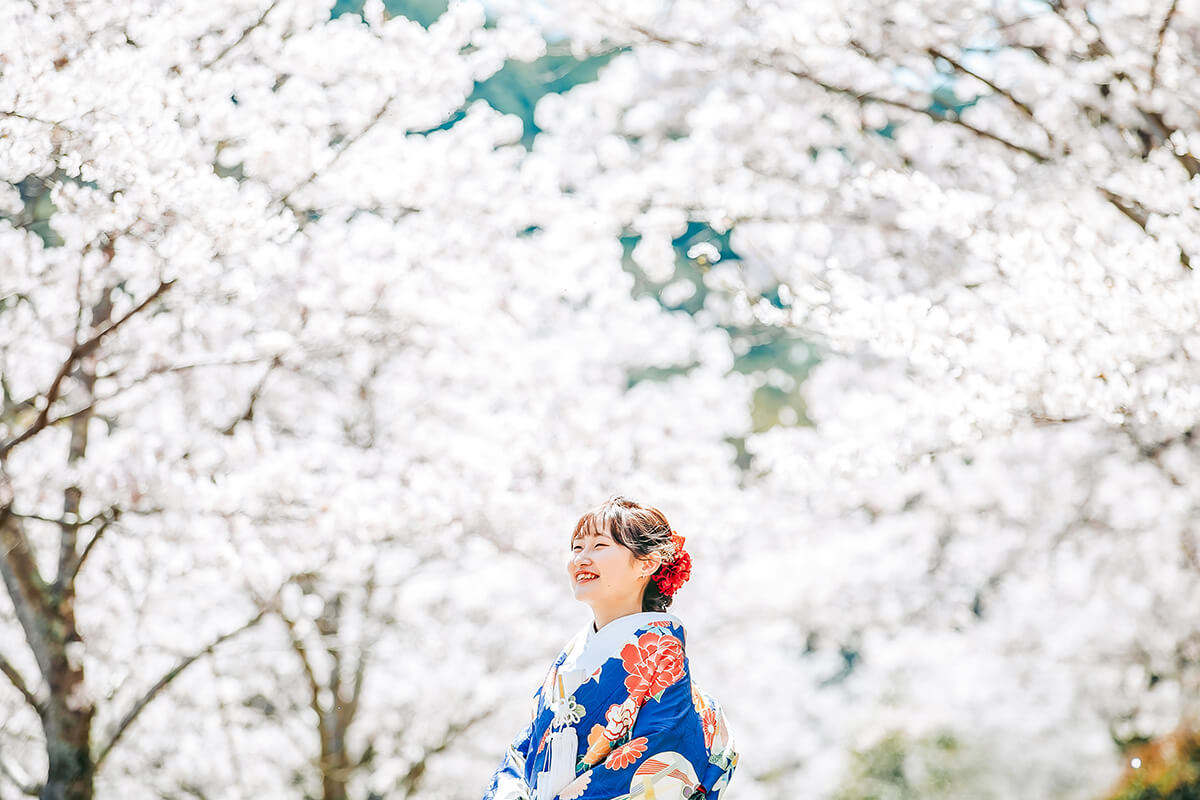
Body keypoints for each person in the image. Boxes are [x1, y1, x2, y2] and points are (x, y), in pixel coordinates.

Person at [482, 495, 738, 800]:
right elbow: (524, 751)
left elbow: (660, 755)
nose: (581, 558)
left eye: (599, 546)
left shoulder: (662, 654)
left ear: (647, 562)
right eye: (577, 548)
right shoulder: (571, 656)